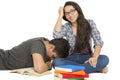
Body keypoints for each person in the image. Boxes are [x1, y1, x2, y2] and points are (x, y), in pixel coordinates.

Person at [52, 1, 109, 73]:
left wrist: (94, 57)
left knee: (105, 59)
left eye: (72, 11)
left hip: (87, 57)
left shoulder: (90, 23)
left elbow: (98, 42)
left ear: (78, 10)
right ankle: (92, 68)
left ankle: (74, 69)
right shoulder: (67, 27)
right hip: (71, 57)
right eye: (67, 13)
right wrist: (60, 15)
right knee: (56, 62)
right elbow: (56, 35)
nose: (70, 15)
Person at [0, 37, 70, 73]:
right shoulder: (39, 44)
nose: (52, 59)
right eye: (53, 56)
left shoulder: (47, 51)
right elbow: (39, 69)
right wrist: (49, 65)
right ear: (51, 47)